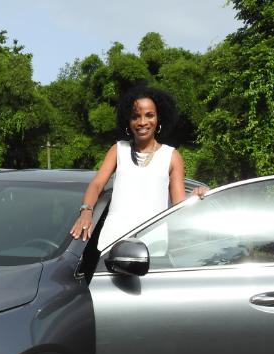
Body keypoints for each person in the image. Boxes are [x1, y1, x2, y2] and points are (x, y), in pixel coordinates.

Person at [70, 85, 207, 249]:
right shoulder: (118, 150)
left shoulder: (172, 156)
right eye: (136, 116)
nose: (142, 122)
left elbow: (178, 206)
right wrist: (86, 211)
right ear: (128, 121)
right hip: (112, 244)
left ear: (159, 119)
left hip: (154, 246)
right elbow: (96, 185)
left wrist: (195, 197)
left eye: (149, 115)